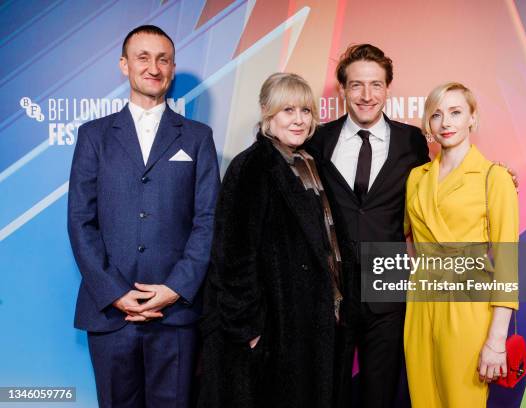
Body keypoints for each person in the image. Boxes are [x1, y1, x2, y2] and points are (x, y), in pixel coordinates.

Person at [68, 25, 220, 407]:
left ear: (171, 67)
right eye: (143, 57)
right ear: (124, 65)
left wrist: (174, 290)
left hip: (176, 314)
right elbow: (80, 222)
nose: (154, 67)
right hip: (109, 314)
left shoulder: (198, 137)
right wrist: (116, 293)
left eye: (163, 59)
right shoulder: (93, 136)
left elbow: (207, 221)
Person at [198, 72, 352, 408]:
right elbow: (232, 256)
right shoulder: (252, 167)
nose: (298, 120)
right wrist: (249, 330)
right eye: (288, 111)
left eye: (305, 111)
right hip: (275, 330)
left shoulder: (313, 163)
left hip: (314, 322)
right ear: (268, 113)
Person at [308, 44, 430, 408]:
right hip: (333, 286)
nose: (366, 95)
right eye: (357, 85)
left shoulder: (412, 141)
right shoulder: (317, 139)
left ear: (388, 88)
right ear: (342, 89)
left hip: (389, 283)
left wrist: (495, 177)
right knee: (330, 393)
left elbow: (440, 181)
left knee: (382, 393)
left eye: (376, 85)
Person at [403, 82, 519, 407]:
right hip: (421, 305)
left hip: (468, 307)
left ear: (472, 118)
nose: (446, 123)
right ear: (428, 123)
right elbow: (409, 237)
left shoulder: (494, 177)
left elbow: (508, 264)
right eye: (437, 115)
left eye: (456, 112)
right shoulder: (416, 178)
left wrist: (497, 339)